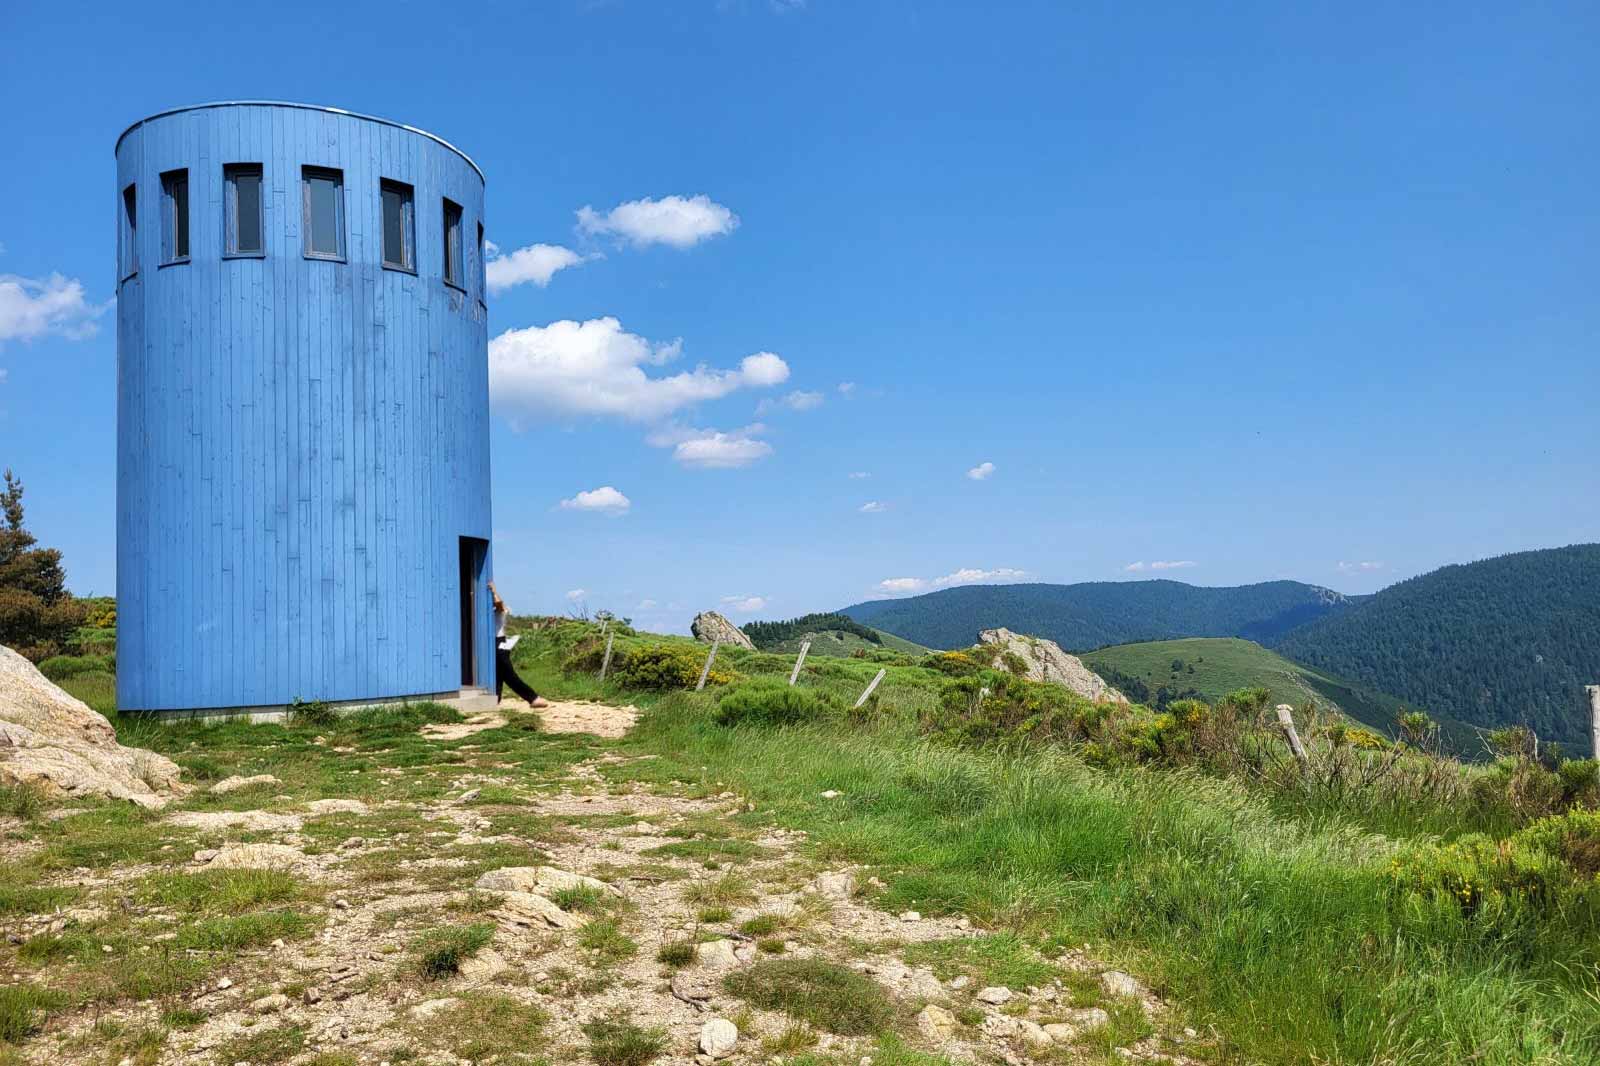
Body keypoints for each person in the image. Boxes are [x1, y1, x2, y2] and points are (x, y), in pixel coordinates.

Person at [489, 581, 549, 709]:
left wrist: (494, 591)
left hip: (499, 643)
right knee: (498, 674)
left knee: (508, 674)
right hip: (491, 643)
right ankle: (496, 699)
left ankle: (533, 698)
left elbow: (499, 604)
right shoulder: (486, 612)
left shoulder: (501, 610)